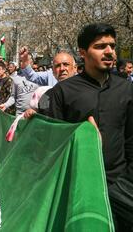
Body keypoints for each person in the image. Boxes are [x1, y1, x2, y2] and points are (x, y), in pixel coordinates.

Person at [48, 23, 133, 231]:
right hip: (80, 187)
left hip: (121, 185)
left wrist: (124, 183)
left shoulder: (126, 89)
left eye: (112, 46)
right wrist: (82, 137)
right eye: (100, 46)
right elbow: (52, 144)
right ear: (83, 53)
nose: (109, 52)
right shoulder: (63, 92)